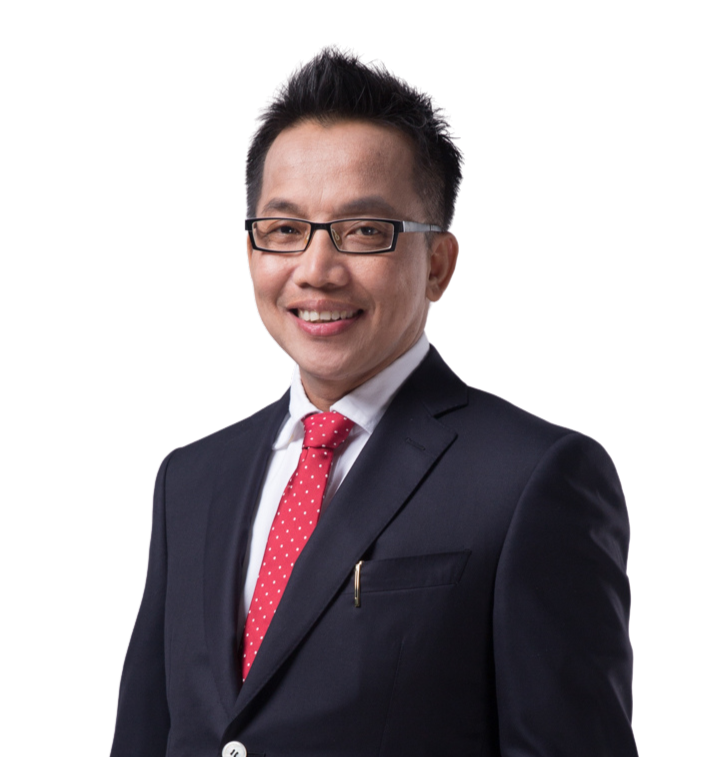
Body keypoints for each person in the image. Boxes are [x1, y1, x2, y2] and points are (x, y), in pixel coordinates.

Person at [111, 46, 637, 757]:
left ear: (439, 265)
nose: (316, 271)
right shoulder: (190, 478)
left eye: (364, 231)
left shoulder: (534, 479)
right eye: (284, 230)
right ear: (251, 251)